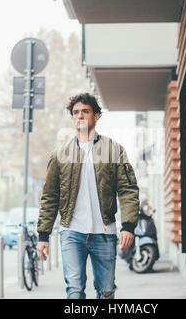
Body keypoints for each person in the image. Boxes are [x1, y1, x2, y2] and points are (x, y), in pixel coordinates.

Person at [36, 93, 140, 299]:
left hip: (104, 232)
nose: (80, 116)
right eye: (75, 112)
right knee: (74, 290)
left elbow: (128, 189)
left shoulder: (114, 150)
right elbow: (50, 196)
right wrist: (43, 235)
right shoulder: (60, 154)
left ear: (97, 116)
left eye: (85, 111)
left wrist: (128, 225)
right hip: (71, 232)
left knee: (107, 290)